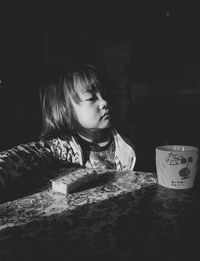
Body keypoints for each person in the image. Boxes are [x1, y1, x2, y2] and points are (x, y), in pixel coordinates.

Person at [0, 63, 136, 192]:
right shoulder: (62, 147)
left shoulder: (125, 144)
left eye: (104, 95)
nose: (104, 102)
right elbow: (21, 156)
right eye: (91, 98)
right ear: (66, 110)